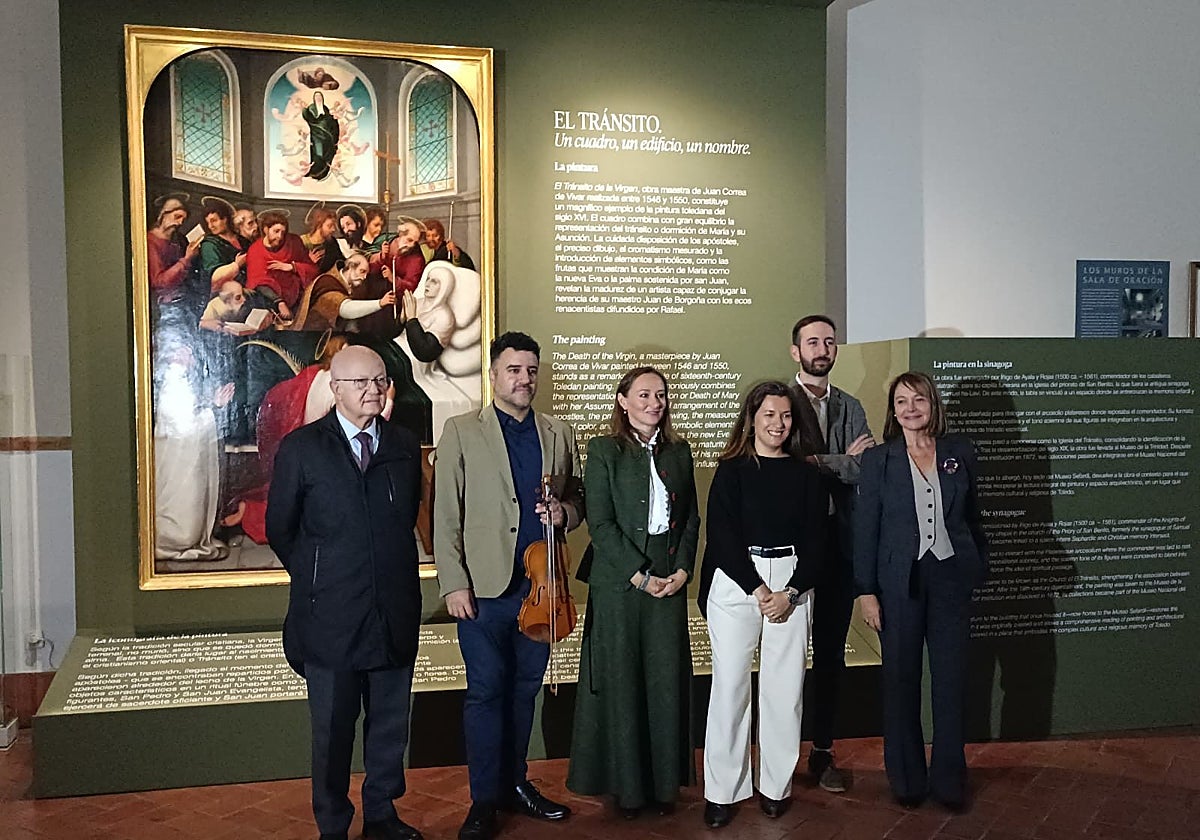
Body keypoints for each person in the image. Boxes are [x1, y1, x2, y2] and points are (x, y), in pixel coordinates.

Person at [266, 345, 424, 840]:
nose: (374, 390)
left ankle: (382, 814)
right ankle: (333, 824)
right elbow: (280, 529)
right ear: (335, 389)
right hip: (329, 617)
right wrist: (321, 576)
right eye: (361, 382)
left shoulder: (403, 445)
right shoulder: (303, 448)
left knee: (389, 725)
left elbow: (406, 517)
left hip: (392, 611)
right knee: (332, 731)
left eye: (380, 381)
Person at [433, 331, 584, 840]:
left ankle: (515, 785)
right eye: (514, 370)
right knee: (485, 692)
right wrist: (454, 583)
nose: (524, 379)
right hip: (482, 591)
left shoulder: (558, 432)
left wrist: (564, 513)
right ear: (494, 374)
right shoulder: (461, 431)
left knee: (524, 692)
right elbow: (445, 514)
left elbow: (577, 498)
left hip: (541, 591)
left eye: (531, 371)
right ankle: (483, 800)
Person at [566, 366, 699, 818]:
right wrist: (638, 576)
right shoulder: (603, 450)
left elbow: (691, 519)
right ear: (623, 401)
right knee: (622, 682)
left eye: (660, 395)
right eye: (643, 394)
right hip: (619, 583)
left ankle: (663, 788)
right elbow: (600, 524)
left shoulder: (679, 452)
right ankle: (627, 790)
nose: (653, 403)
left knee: (664, 682)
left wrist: (682, 570)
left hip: (669, 581)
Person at [854, 371, 988, 812]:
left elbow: (973, 516)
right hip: (898, 584)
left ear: (933, 405)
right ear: (892, 411)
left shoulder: (959, 453)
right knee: (900, 681)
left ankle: (949, 782)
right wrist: (867, 592)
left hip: (950, 578)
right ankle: (907, 780)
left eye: (919, 400)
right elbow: (866, 529)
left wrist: (976, 566)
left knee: (951, 682)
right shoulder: (879, 460)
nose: (910, 409)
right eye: (901, 402)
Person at [697, 380, 827, 829]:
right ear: (752, 418)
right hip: (738, 582)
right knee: (730, 686)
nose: (778, 424)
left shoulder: (807, 475)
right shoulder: (730, 470)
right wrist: (758, 590)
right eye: (769, 414)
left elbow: (818, 541)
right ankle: (722, 791)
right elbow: (722, 535)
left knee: (784, 690)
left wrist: (790, 592)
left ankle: (775, 786)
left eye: (786, 416)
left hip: (792, 582)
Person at [787, 314, 875, 792]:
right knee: (784, 654)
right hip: (792, 547)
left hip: (839, 547)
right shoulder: (777, 402)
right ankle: (779, 755)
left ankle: (822, 752)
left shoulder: (850, 405)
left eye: (829, 341)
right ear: (795, 351)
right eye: (813, 342)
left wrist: (816, 461)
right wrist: (837, 461)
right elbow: (786, 469)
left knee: (829, 655)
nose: (822, 348)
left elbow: (865, 468)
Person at [291, 253, 398, 333]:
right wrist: (380, 303)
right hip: (314, 335)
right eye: (362, 271)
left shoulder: (351, 285)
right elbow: (345, 309)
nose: (364, 277)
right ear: (351, 267)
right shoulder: (327, 283)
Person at [246, 210, 319, 320]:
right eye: (276, 231)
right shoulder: (255, 251)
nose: (280, 236)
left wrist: (292, 267)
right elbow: (257, 281)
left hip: (299, 297)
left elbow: (312, 269)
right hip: (270, 301)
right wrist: (279, 302)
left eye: (283, 232)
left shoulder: (294, 242)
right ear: (266, 230)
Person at [199, 196, 248, 292]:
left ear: (225, 219)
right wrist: (236, 265)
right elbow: (214, 278)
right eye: (208, 222)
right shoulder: (209, 245)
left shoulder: (243, 241)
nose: (210, 226)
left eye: (214, 221)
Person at [303, 90, 340, 181]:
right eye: (316, 97)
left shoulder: (325, 109)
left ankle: (323, 172)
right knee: (318, 154)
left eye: (320, 97)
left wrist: (333, 119)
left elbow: (330, 121)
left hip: (327, 139)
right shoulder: (311, 108)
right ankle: (316, 171)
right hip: (317, 136)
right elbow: (309, 119)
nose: (318, 99)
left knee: (327, 155)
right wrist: (305, 111)